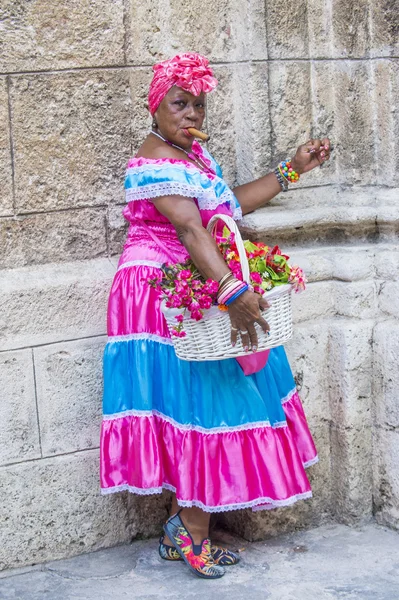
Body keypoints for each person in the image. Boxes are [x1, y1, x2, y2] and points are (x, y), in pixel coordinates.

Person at [100, 52, 330, 580]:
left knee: (204, 401)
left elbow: (230, 207)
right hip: (159, 290)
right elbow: (188, 228)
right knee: (203, 402)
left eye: (199, 105)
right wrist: (229, 288)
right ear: (154, 106)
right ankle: (189, 530)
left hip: (194, 281)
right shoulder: (153, 160)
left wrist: (293, 167)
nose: (191, 114)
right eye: (180, 104)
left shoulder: (195, 161)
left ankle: (185, 528)